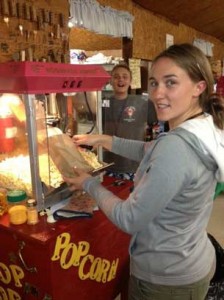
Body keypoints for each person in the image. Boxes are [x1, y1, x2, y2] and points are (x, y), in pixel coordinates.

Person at [63, 43, 224, 300]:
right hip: (192, 258)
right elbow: (150, 149)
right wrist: (104, 139)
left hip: (165, 279)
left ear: (199, 87)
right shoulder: (202, 127)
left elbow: (130, 218)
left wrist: (89, 183)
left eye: (170, 83)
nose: (157, 94)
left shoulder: (177, 146)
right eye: (153, 83)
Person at [102, 63, 157, 180]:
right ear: (110, 81)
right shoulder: (103, 103)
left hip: (133, 165)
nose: (120, 79)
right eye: (116, 77)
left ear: (130, 81)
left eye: (125, 77)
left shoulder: (142, 103)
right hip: (106, 164)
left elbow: (156, 126)